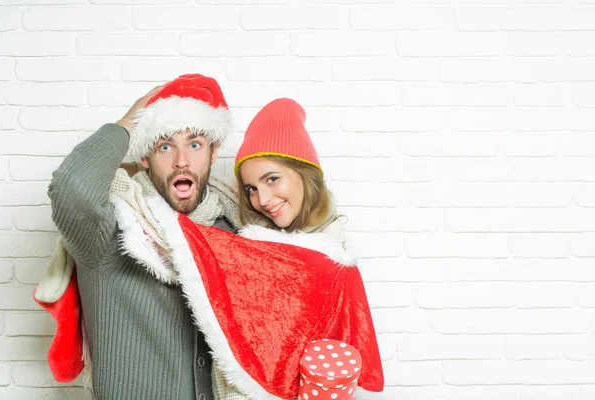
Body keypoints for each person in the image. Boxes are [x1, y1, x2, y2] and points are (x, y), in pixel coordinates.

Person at [160, 98, 385, 399]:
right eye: (251, 188)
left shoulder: (322, 262)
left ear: (305, 174)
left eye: (272, 179)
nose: (262, 199)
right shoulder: (259, 237)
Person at [39, 74, 242, 399]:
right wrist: (126, 124)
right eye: (165, 146)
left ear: (213, 153)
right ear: (144, 158)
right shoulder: (109, 231)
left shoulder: (232, 229)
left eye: (194, 144)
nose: (181, 161)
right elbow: (70, 189)